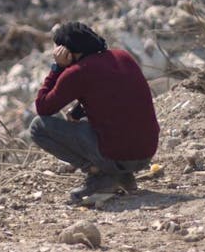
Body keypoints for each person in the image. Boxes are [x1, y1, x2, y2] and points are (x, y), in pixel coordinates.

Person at [30, 22, 159, 199]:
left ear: (66, 51)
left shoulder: (77, 72)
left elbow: (43, 107)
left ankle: (100, 175)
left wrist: (58, 68)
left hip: (119, 155)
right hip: (146, 152)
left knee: (38, 127)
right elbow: (115, 96)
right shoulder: (122, 56)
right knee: (92, 124)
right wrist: (78, 111)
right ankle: (122, 176)